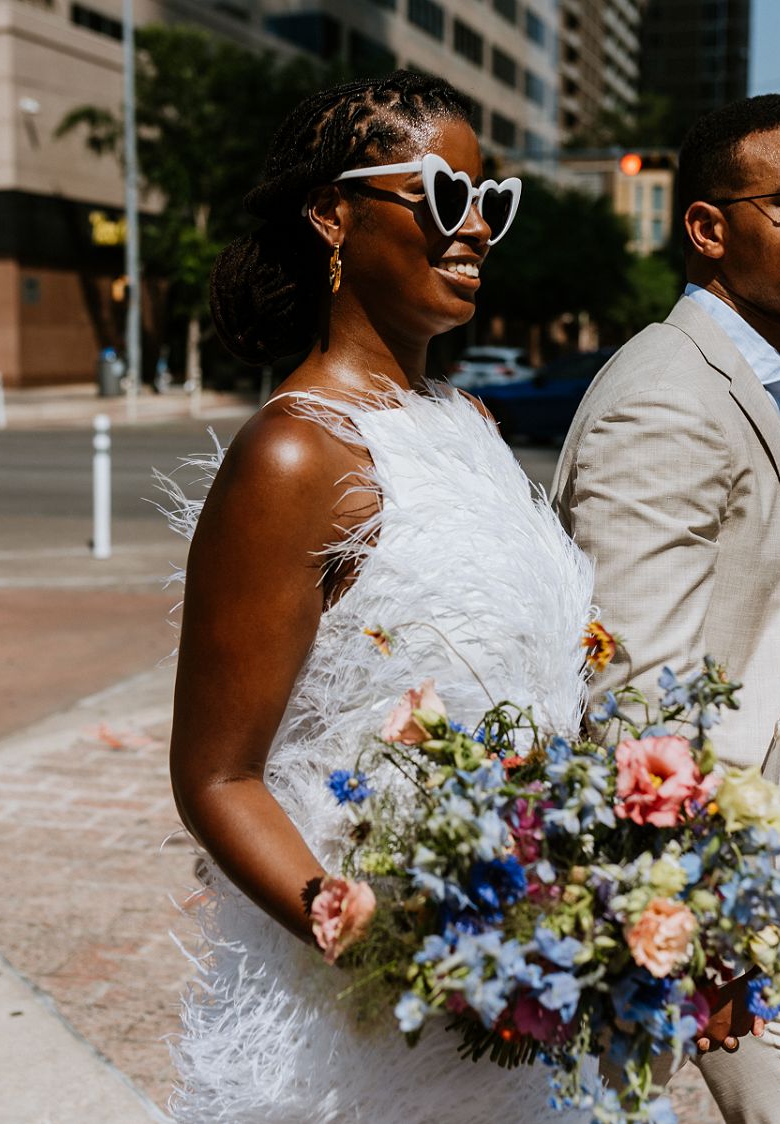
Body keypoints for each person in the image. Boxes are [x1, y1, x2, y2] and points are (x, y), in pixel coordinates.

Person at [166, 71, 594, 1122]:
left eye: (491, 202)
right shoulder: (295, 452)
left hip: (504, 1000)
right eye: (444, 197)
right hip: (352, 1026)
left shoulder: (470, 424)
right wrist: (375, 944)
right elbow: (217, 773)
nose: (476, 229)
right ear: (334, 215)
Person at [554, 95, 780, 1123]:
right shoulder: (670, 397)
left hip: (725, 870)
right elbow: (628, 692)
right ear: (707, 228)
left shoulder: (752, 378)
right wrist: (694, 925)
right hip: (674, 881)